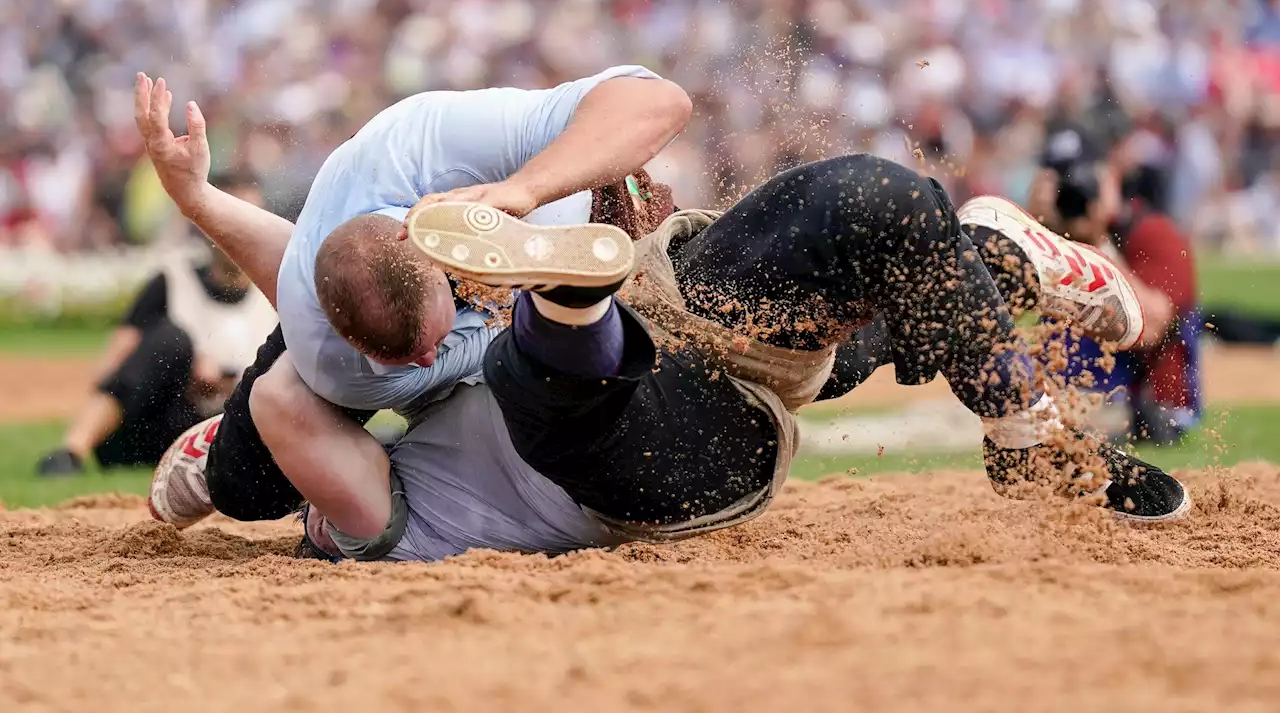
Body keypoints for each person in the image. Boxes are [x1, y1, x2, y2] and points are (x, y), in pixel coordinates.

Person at [154, 150, 1188, 562]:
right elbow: (290, 391)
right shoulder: (367, 530)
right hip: (658, 466)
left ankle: (1000, 314)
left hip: (682, 315)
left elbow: (315, 319)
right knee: (534, 384)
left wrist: (204, 204)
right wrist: (213, 463)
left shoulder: (395, 416)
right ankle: (567, 290)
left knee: (881, 205)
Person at [132, 66, 689, 526]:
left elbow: (661, 102)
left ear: (443, 265)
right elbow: (296, 270)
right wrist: (196, 201)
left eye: (429, 340)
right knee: (249, 491)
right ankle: (220, 453)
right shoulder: (336, 356)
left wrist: (525, 189)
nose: (426, 358)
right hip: (354, 314)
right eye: (404, 355)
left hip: (549, 213)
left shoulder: (432, 142)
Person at [36, 171, 276, 476]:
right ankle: (71, 453)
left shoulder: (275, 292)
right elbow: (110, 370)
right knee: (171, 341)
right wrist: (186, 368)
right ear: (205, 226)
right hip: (154, 425)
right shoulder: (173, 280)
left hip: (224, 433)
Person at [1032, 160, 1200, 444]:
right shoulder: (1050, 242)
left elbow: (1153, 327)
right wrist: (1033, 229)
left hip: (1136, 405)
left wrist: (1098, 250)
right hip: (1064, 396)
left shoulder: (1151, 234)